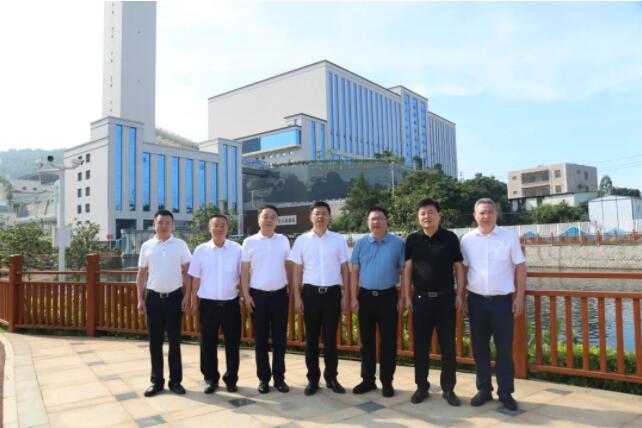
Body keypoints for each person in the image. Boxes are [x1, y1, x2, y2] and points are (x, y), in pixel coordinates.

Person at [460, 198, 527, 411]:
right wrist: (461, 296)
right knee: (479, 347)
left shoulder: (509, 237)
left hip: (502, 303)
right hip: (476, 302)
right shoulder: (467, 240)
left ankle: (505, 391)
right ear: (475, 216)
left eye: (490, 212)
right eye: (482, 212)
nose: (486, 216)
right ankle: (484, 389)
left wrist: (519, 297)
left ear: (496, 214)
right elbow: (462, 269)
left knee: (504, 349)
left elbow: (520, 267)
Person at [402, 198, 466, 406]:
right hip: (420, 299)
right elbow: (408, 269)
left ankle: (448, 389)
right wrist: (406, 295)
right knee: (420, 346)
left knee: (448, 346)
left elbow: (459, 267)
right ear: (418, 217)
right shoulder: (412, 239)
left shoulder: (450, 238)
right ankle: (422, 387)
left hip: (446, 299)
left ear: (438, 215)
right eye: (422, 213)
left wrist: (460, 294)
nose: (426, 216)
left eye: (430, 212)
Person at [290, 201, 350, 396]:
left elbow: (345, 269)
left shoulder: (338, 239)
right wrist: (297, 297)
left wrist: (346, 295)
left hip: (332, 294)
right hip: (310, 294)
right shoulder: (302, 240)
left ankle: (332, 378)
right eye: (317, 213)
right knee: (312, 340)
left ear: (329, 217)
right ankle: (313, 379)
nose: (321, 217)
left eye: (324, 213)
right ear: (311, 217)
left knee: (331, 340)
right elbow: (297, 271)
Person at [350, 207, 405, 398]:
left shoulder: (398, 243)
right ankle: (368, 380)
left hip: (388, 297)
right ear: (368, 222)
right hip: (365, 297)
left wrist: (403, 297)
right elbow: (354, 272)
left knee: (389, 342)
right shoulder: (360, 244)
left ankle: (387, 381)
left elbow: (404, 271)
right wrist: (352, 297)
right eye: (373, 219)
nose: (376, 222)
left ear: (386, 221)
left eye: (380, 218)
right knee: (366, 342)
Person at [136, 209, 192, 397]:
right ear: (154, 225)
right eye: (160, 222)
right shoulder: (147, 246)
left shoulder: (180, 245)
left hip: (175, 298)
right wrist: (140, 299)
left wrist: (187, 295)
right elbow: (141, 274)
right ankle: (156, 381)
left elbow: (187, 272)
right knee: (155, 342)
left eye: (167, 222)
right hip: (153, 299)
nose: (164, 225)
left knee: (175, 342)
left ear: (172, 225)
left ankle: (175, 381)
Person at [188, 215, 242, 394]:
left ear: (228, 228)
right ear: (209, 228)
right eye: (215, 225)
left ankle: (231, 379)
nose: (219, 228)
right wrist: (193, 300)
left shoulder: (237, 249)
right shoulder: (200, 250)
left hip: (231, 303)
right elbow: (196, 278)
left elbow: (243, 275)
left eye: (222, 225)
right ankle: (211, 379)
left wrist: (243, 295)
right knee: (207, 343)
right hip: (208, 304)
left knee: (232, 343)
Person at [241, 204, 292, 394]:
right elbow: (244, 271)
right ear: (259, 220)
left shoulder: (283, 240)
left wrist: (291, 291)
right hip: (258, 297)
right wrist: (246, 295)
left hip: (280, 295)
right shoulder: (249, 242)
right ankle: (263, 378)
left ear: (277, 221)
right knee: (260, 340)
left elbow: (288, 267)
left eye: (272, 217)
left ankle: (279, 378)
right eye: (265, 216)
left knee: (280, 340)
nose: (269, 220)